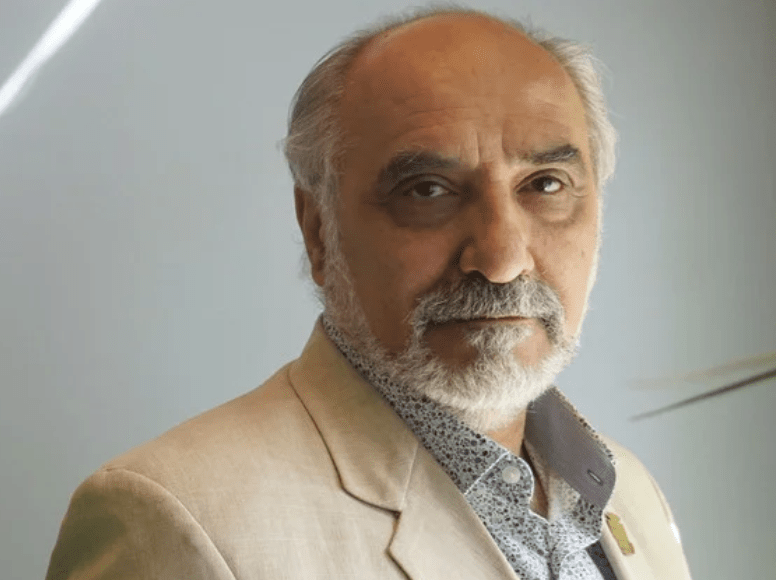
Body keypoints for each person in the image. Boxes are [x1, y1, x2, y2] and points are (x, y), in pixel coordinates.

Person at [46, 7, 692, 580]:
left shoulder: (629, 494)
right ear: (318, 230)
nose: (500, 261)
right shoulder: (177, 516)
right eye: (427, 190)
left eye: (545, 184)